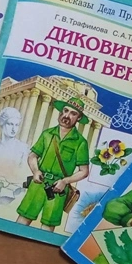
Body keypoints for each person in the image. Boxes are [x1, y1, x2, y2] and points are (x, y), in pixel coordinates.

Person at [15, 99, 90, 232]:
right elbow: (33, 156)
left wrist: (65, 181)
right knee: (23, 218)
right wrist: (35, 171)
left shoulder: (80, 142)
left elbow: (84, 171)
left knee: (48, 226)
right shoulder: (47, 134)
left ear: (78, 118)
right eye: (65, 111)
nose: (67, 115)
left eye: (73, 113)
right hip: (39, 183)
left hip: (58, 189)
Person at [0, 106, 31, 185]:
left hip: (17, 188)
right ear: (2, 124)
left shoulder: (24, 148)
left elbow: (23, 175)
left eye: (16, 125)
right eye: (10, 124)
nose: (13, 129)